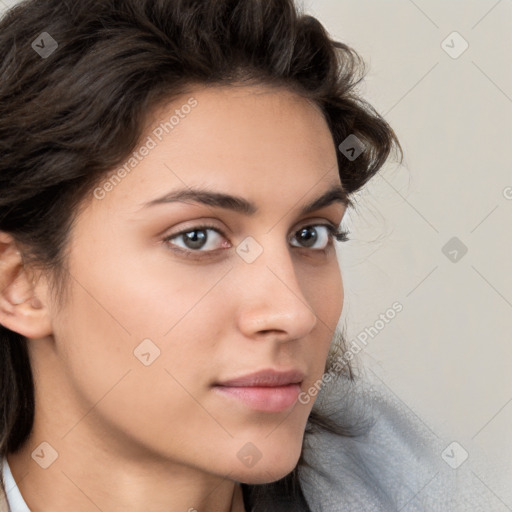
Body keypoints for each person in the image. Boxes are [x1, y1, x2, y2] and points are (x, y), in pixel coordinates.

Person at [0, 0, 486, 510]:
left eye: (310, 235)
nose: (294, 313)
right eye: (197, 238)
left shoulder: (430, 485)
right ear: (19, 284)